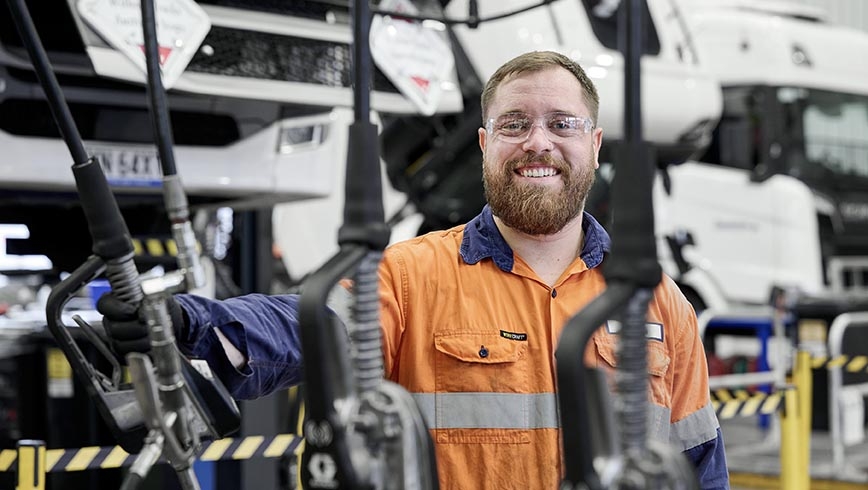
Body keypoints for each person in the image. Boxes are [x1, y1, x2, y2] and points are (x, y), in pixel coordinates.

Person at [100, 50, 729, 489]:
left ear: (593, 145)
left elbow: (701, 460)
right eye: (514, 124)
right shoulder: (412, 275)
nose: (538, 141)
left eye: (561, 124)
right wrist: (189, 321)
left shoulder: (658, 304)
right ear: (485, 146)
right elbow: (306, 324)